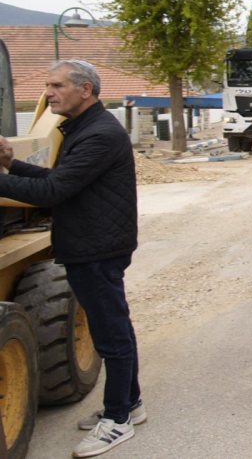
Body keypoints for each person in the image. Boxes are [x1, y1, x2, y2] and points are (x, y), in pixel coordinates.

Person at [0, 60, 143, 457]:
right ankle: (130, 403)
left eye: (57, 85)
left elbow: (52, 193)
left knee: (111, 335)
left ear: (85, 90)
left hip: (97, 248)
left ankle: (118, 419)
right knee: (114, 328)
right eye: (48, 85)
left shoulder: (98, 135)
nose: (48, 93)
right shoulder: (84, 129)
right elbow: (58, 180)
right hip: (94, 244)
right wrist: (11, 165)